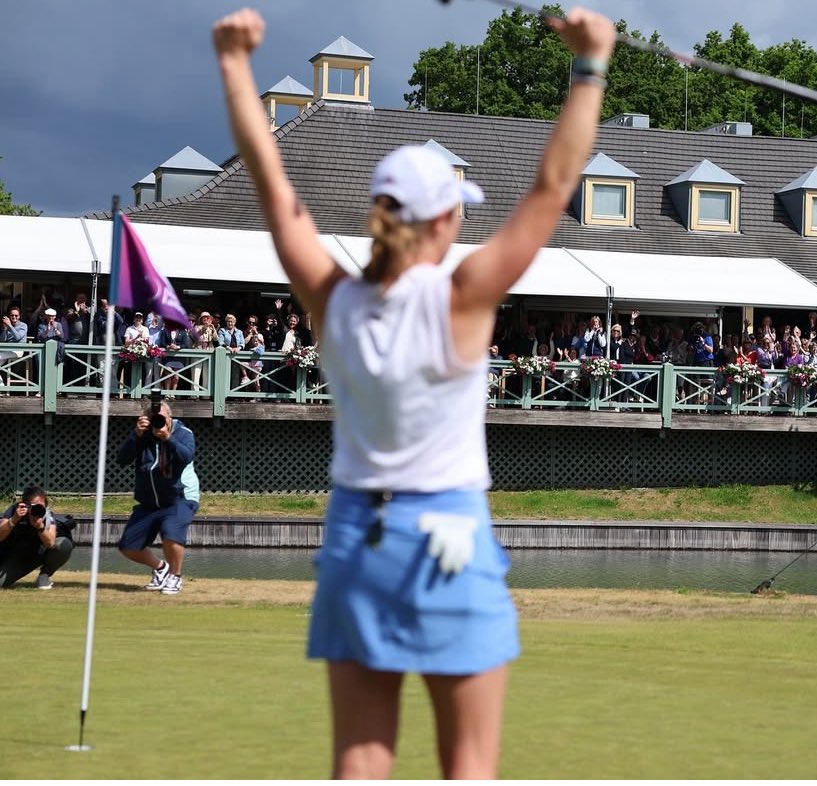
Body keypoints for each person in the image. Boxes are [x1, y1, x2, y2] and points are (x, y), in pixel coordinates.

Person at [213, 5, 615, 778]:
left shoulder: (334, 296)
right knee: (467, 765)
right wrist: (589, 63)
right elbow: (554, 183)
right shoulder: (461, 295)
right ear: (448, 217)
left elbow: (271, 187)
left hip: (355, 537)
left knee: (360, 763)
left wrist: (235, 65)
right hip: (448, 536)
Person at [116, 399, 201, 595]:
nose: (159, 422)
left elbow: (186, 456)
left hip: (179, 497)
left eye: (162, 418)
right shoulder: (142, 435)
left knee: (171, 535)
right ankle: (161, 568)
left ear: (169, 417)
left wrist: (167, 438)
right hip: (149, 501)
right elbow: (122, 459)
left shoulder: (183, 433)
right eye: (155, 419)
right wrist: (136, 435)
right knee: (128, 546)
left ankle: (175, 576)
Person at [0, 485, 74, 589]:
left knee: (63, 544)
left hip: (38, 553)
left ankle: (44, 576)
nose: (38, 509)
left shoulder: (47, 515)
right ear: (25, 505)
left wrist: (40, 527)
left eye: (41, 506)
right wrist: (14, 520)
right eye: (34, 506)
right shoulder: (14, 511)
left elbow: (50, 543)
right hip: (16, 555)